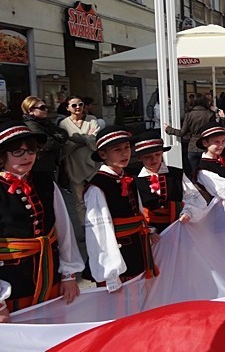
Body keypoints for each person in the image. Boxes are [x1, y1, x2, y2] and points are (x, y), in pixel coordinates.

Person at [0, 121, 83, 322]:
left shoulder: (45, 182)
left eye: (31, 150)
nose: (27, 156)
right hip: (12, 284)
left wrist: (69, 274)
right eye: (17, 152)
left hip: (50, 277)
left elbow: (63, 230)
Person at [83, 126, 158, 293]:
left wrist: (147, 230)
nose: (125, 154)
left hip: (136, 249)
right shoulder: (98, 186)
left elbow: (138, 211)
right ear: (103, 155)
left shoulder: (127, 177)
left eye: (126, 148)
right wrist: (111, 274)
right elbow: (99, 232)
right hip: (117, 254)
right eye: (117, 150)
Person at [133, 131, 207, 234]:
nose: (154, 159)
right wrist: (147, 230)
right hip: (150, 232)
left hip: (177, 228)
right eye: (147, 156)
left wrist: (187, 212)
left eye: (157, 154)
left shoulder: (176, 174)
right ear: (139, 158)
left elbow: (196, 200)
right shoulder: (134, 179)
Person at [58, 96, 100, 247]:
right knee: (79, 199)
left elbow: (95, 139)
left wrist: (78, 139)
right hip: (74, 165)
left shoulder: (92, 119)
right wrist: (86, 139)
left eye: (80, 104)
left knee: (97, 195)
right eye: (74, 105)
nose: (78, 107)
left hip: (93, 164)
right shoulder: (63, 123)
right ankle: (84, 227)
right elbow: (65, 144)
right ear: (67, 108)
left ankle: (99, 224)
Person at [165, 95, 218, 176]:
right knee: (207, 173)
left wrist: (169, 129)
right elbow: (214, 130)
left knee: (194, 172)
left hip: (192, 146)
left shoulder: (189, 114)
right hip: (205, 146)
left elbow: (182, 132)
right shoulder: (210, 114)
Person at [21, 96, 68, 183]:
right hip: (40, 167)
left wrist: (54, 138)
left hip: (49, 165)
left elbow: (64, 133)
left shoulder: (46, 122)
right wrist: (56, 138)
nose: (46, 110)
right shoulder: (30, 125)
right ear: (30, 111)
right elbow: (48, 143)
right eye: (42, 108)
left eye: (46, 107)